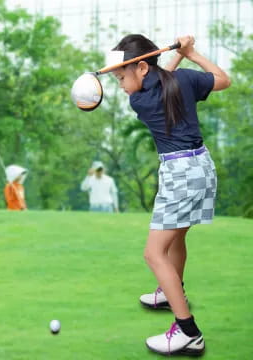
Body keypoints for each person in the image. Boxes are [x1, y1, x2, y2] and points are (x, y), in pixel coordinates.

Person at [109, 34, 230, 356]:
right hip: (201, 167)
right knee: (175, 240)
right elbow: (223, 80)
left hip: (179, 174)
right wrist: (192, 54)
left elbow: (162, 81)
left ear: (142, 69)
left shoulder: (140, 100)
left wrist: (180, 55)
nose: (120, 85)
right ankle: (170, 292)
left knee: (153, 254)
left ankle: (188, 332)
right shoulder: (184, 80)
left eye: (122, 76)